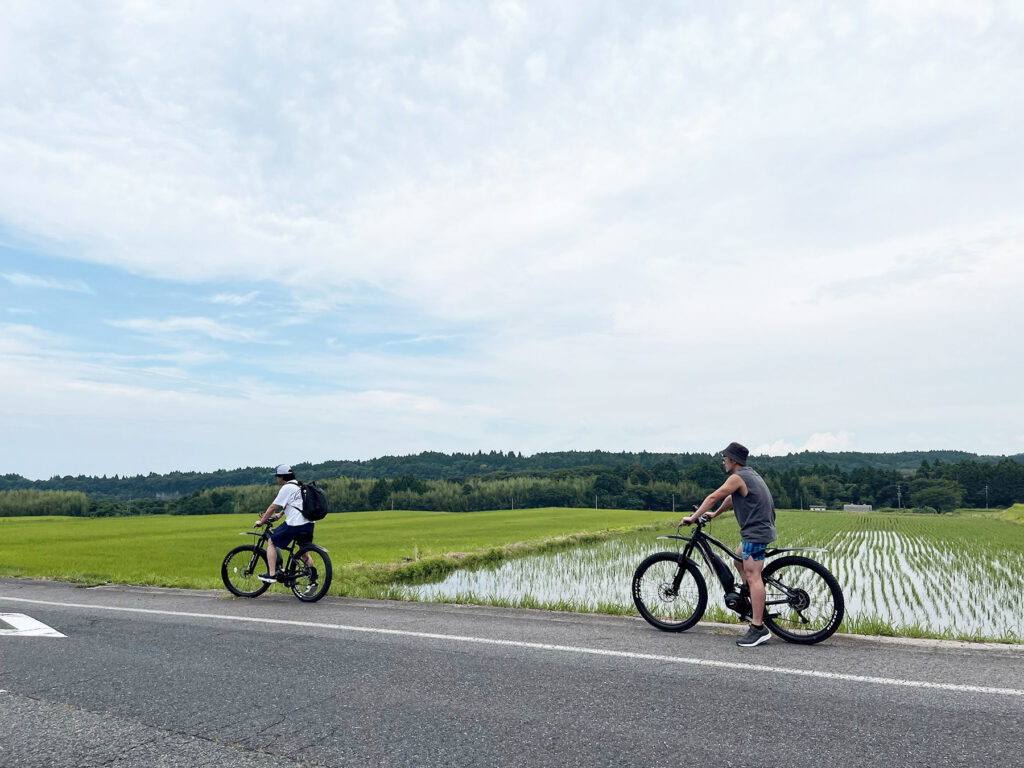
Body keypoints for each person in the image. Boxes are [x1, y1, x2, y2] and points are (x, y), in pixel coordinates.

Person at [682, 442, 776, 647]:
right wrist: (715, 514)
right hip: (758, 530)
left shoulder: (737, 477)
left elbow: (715, 496)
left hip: (755, 532)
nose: (723, 461)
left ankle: (759, 628)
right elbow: (732, 498)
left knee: (753, 576)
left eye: (725, 458)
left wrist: (693, 517)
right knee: (738, 560)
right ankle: (750, 601)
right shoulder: (749, 475)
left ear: (733, 460)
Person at [254, 464, 315, 583]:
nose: (276, 479)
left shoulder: (287, 488)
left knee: (272, 541)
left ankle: (271, 574)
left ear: (282, 477)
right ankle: (312, 581)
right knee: (304, 553)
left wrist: (262, 522)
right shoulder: (299, 485)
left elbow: (272, 507)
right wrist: (280, 515)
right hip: (309, 524)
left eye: (277, 476)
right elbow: (295, 504)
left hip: (295, 524)